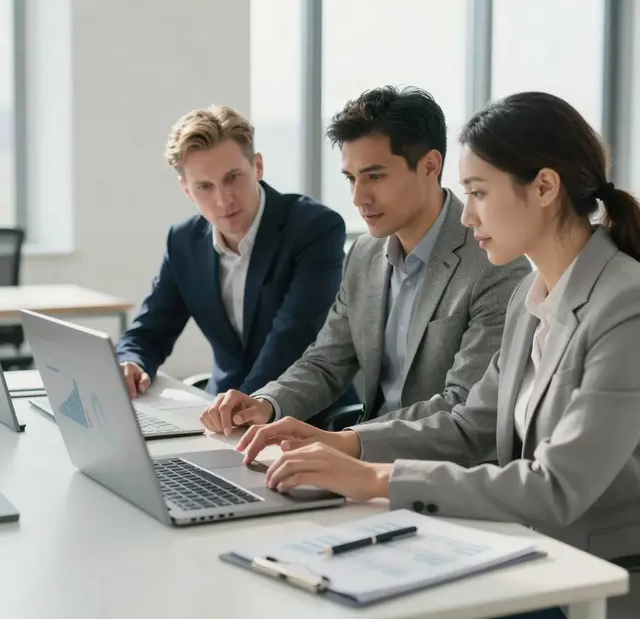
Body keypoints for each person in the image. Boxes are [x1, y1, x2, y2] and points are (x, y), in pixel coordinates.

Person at [234, 92, 640, 619]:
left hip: (592, 571)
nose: (467, 215)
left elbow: (557, 486)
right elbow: (473, 424)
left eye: (477, 192)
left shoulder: (625, 305)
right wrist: (347, 446)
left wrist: (377, 479)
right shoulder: (532, 294)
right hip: (519, 545)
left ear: (544, 187)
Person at [200, 86, 530, 436]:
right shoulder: (364, 254)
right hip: (361, 458)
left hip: (443, 472)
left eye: (375, 176)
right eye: (351, 179)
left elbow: (461, 405)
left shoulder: (495, 263)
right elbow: (327, 362)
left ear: (430, 165)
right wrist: (266, 404)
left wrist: (343, 443)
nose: (359, 198)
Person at [116, 104, 357, 411]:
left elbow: (292, 336)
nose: (223, 199)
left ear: (257, 166)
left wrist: (241, 407)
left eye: (233, 178)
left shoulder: (314, 228)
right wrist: (132, 363)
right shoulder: (183, 241)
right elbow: (151, 330)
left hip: (304, 416)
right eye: (204, 186)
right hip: (219, 415)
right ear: (187, 190)